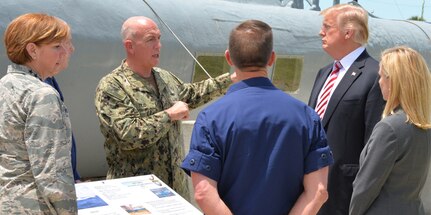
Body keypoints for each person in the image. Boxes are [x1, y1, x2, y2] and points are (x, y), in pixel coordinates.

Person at [181, 20, 333, 215]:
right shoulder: (306, 116)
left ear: (229, 58)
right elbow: (318, 191)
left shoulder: (210, 118)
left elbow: (203, 192)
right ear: (271, 59)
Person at [94, 16, 235, 199]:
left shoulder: (164, 78)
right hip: (136, 195)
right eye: (150, 39)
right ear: (130, 46)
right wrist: (169, 115)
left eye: (159, 38)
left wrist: (231, 80)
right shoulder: (112, 86)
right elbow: (127, 135)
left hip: (174, 192)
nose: (158, 45)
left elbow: (191, 94)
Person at [307, 4, 385, 214]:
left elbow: (373, 144)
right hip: (310, 189)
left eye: (327, 27)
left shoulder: (375, 75)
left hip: (344, 193)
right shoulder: (324, 73)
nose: (320, 32)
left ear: (348, 32)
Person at [0, 13, 77, 214]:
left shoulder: (5, 86)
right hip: (34, 206)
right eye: (57, 46)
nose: (68, 51)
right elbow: (52, 175)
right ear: (32, 50)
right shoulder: (42, 95)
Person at [350, 46, 431, 215]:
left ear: (393, 80)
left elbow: (365, 187)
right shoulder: (423, 126)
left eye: (381, 76)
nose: (379, 81)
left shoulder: (389, 128)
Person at [45, 77, 81, 182]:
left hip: (66, 178)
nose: (65, 59)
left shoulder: (48, 78)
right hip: (53, 184)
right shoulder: (40, 90)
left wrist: (74, 177)